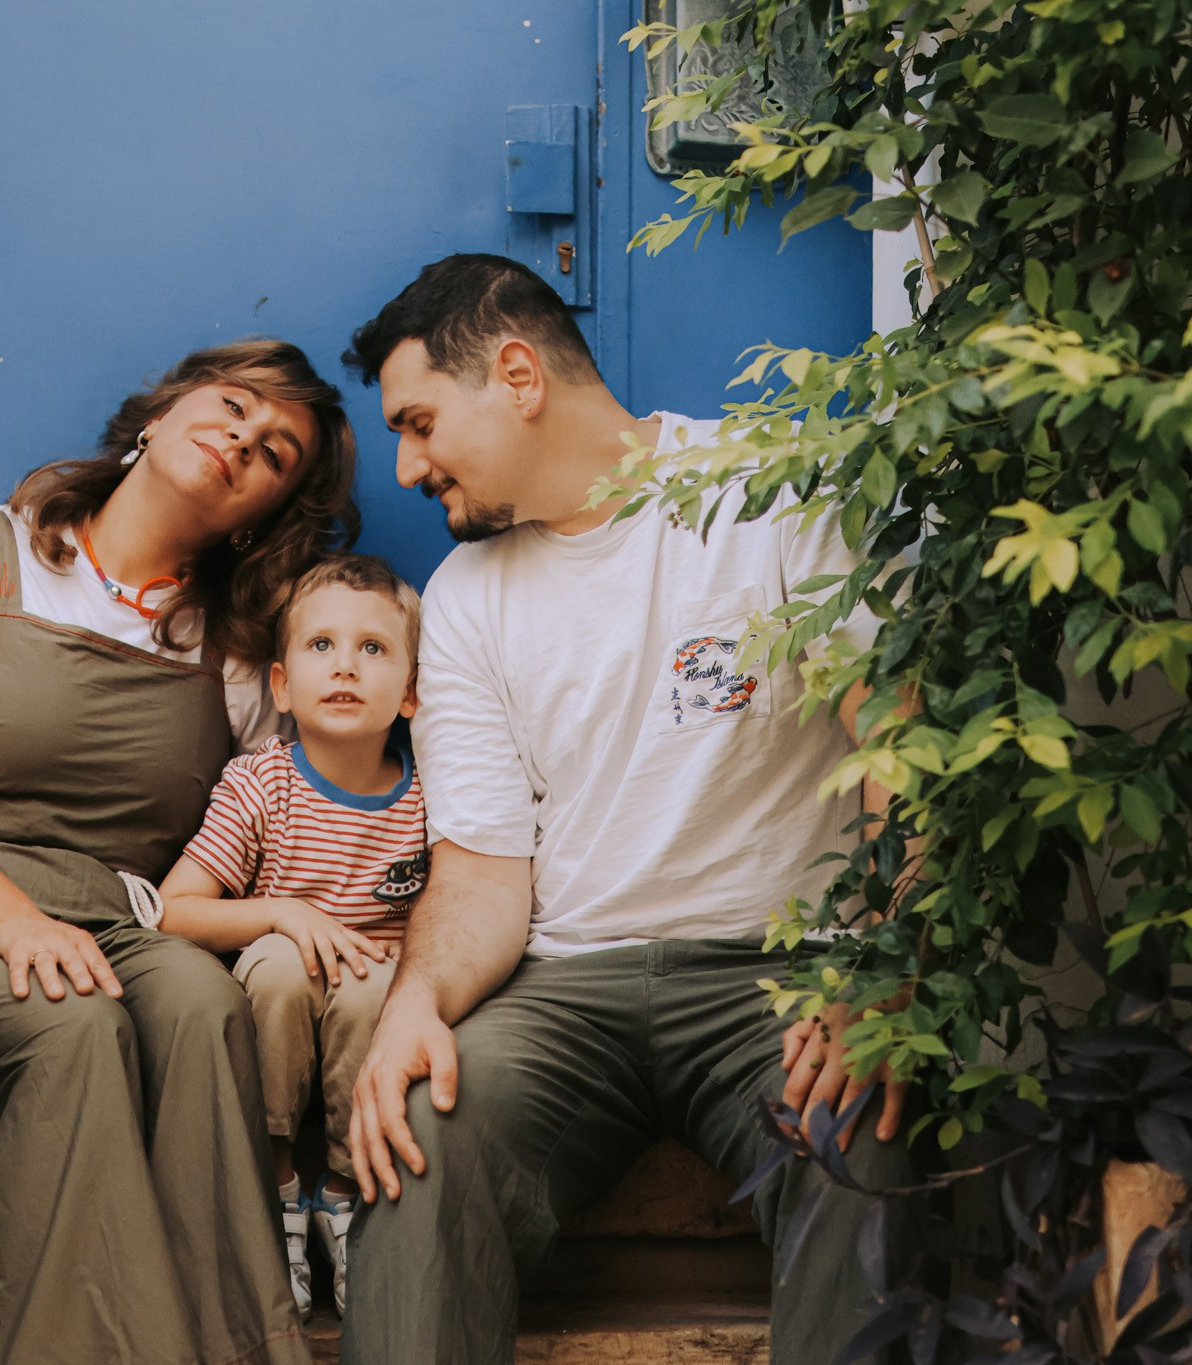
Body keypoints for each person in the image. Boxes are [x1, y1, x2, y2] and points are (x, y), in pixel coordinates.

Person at [335, 255, 915, 1365]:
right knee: (422, 1133)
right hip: (568, 991)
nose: (406, 467)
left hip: (780, 972)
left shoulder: (770, 495)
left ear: (517, 376)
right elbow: (480, 872)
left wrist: (885, 972)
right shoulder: (465, 599)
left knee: (862, 1127)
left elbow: (903, 752)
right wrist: (414, 1003)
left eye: (419, 424)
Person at [0, 338, 358, 1365]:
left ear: (261, 516)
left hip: (117, 924)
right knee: (70, 1023)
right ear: (159, 414)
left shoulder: (236, 658)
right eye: (233, 405)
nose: (244, 438)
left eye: (276, 452)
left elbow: (274, 833)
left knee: (199, 1008)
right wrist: (12, 921)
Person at [157, 553, 427, 1321]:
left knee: (378, 985)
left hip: (370, 1006)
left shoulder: (429, 797)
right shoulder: (261, 784)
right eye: (321, 645)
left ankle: (342, 1197)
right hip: (280, 994)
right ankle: (275, 1191)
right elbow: (173, 910)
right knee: (278, 964)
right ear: (280, 685)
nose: (345, 666)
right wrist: (282, 912)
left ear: (411, 692)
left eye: (372, 647)